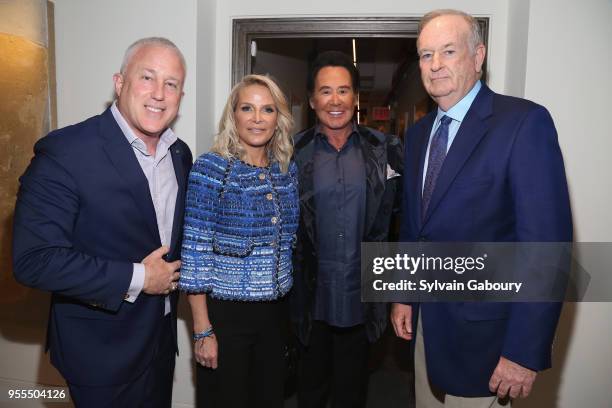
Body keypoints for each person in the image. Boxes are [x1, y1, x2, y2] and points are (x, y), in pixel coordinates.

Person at [390, 9, 572, 407]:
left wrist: (524, 351)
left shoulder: (523, 124)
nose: (435, 65)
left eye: (448, 51)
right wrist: (404, 293)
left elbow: (546, 250)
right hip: (427, 332)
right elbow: (416, 227)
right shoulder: (420, 134)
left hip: (488, 345)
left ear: (478, 56)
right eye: (425, 55)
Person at [12, 37, 192, 407]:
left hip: (159, 343)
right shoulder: (66, 152)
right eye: (147, 77)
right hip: (101, 353)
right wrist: (142, 278)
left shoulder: (179, 153)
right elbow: (35, 260)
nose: (159, 93)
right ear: (120, 83)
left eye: (171, 83)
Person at [291, 51, 404, 408]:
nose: (335, 100)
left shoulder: (386, 150)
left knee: (353, 392)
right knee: (309, 390)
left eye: (343, 91)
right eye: (326, 91)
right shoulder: (292, 153)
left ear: (355, 98)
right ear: (312, 100)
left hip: (363, 295)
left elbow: (402, 220)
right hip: (312, 296)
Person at [179, 74, 299, 408]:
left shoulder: (286, 169)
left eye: (267, 109)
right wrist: (203, 331)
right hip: (226, 317)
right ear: (234, 115)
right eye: (248, 108)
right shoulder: (211, 168)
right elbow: (195, 253)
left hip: (275, 316)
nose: (258, 118)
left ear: (279, 118)